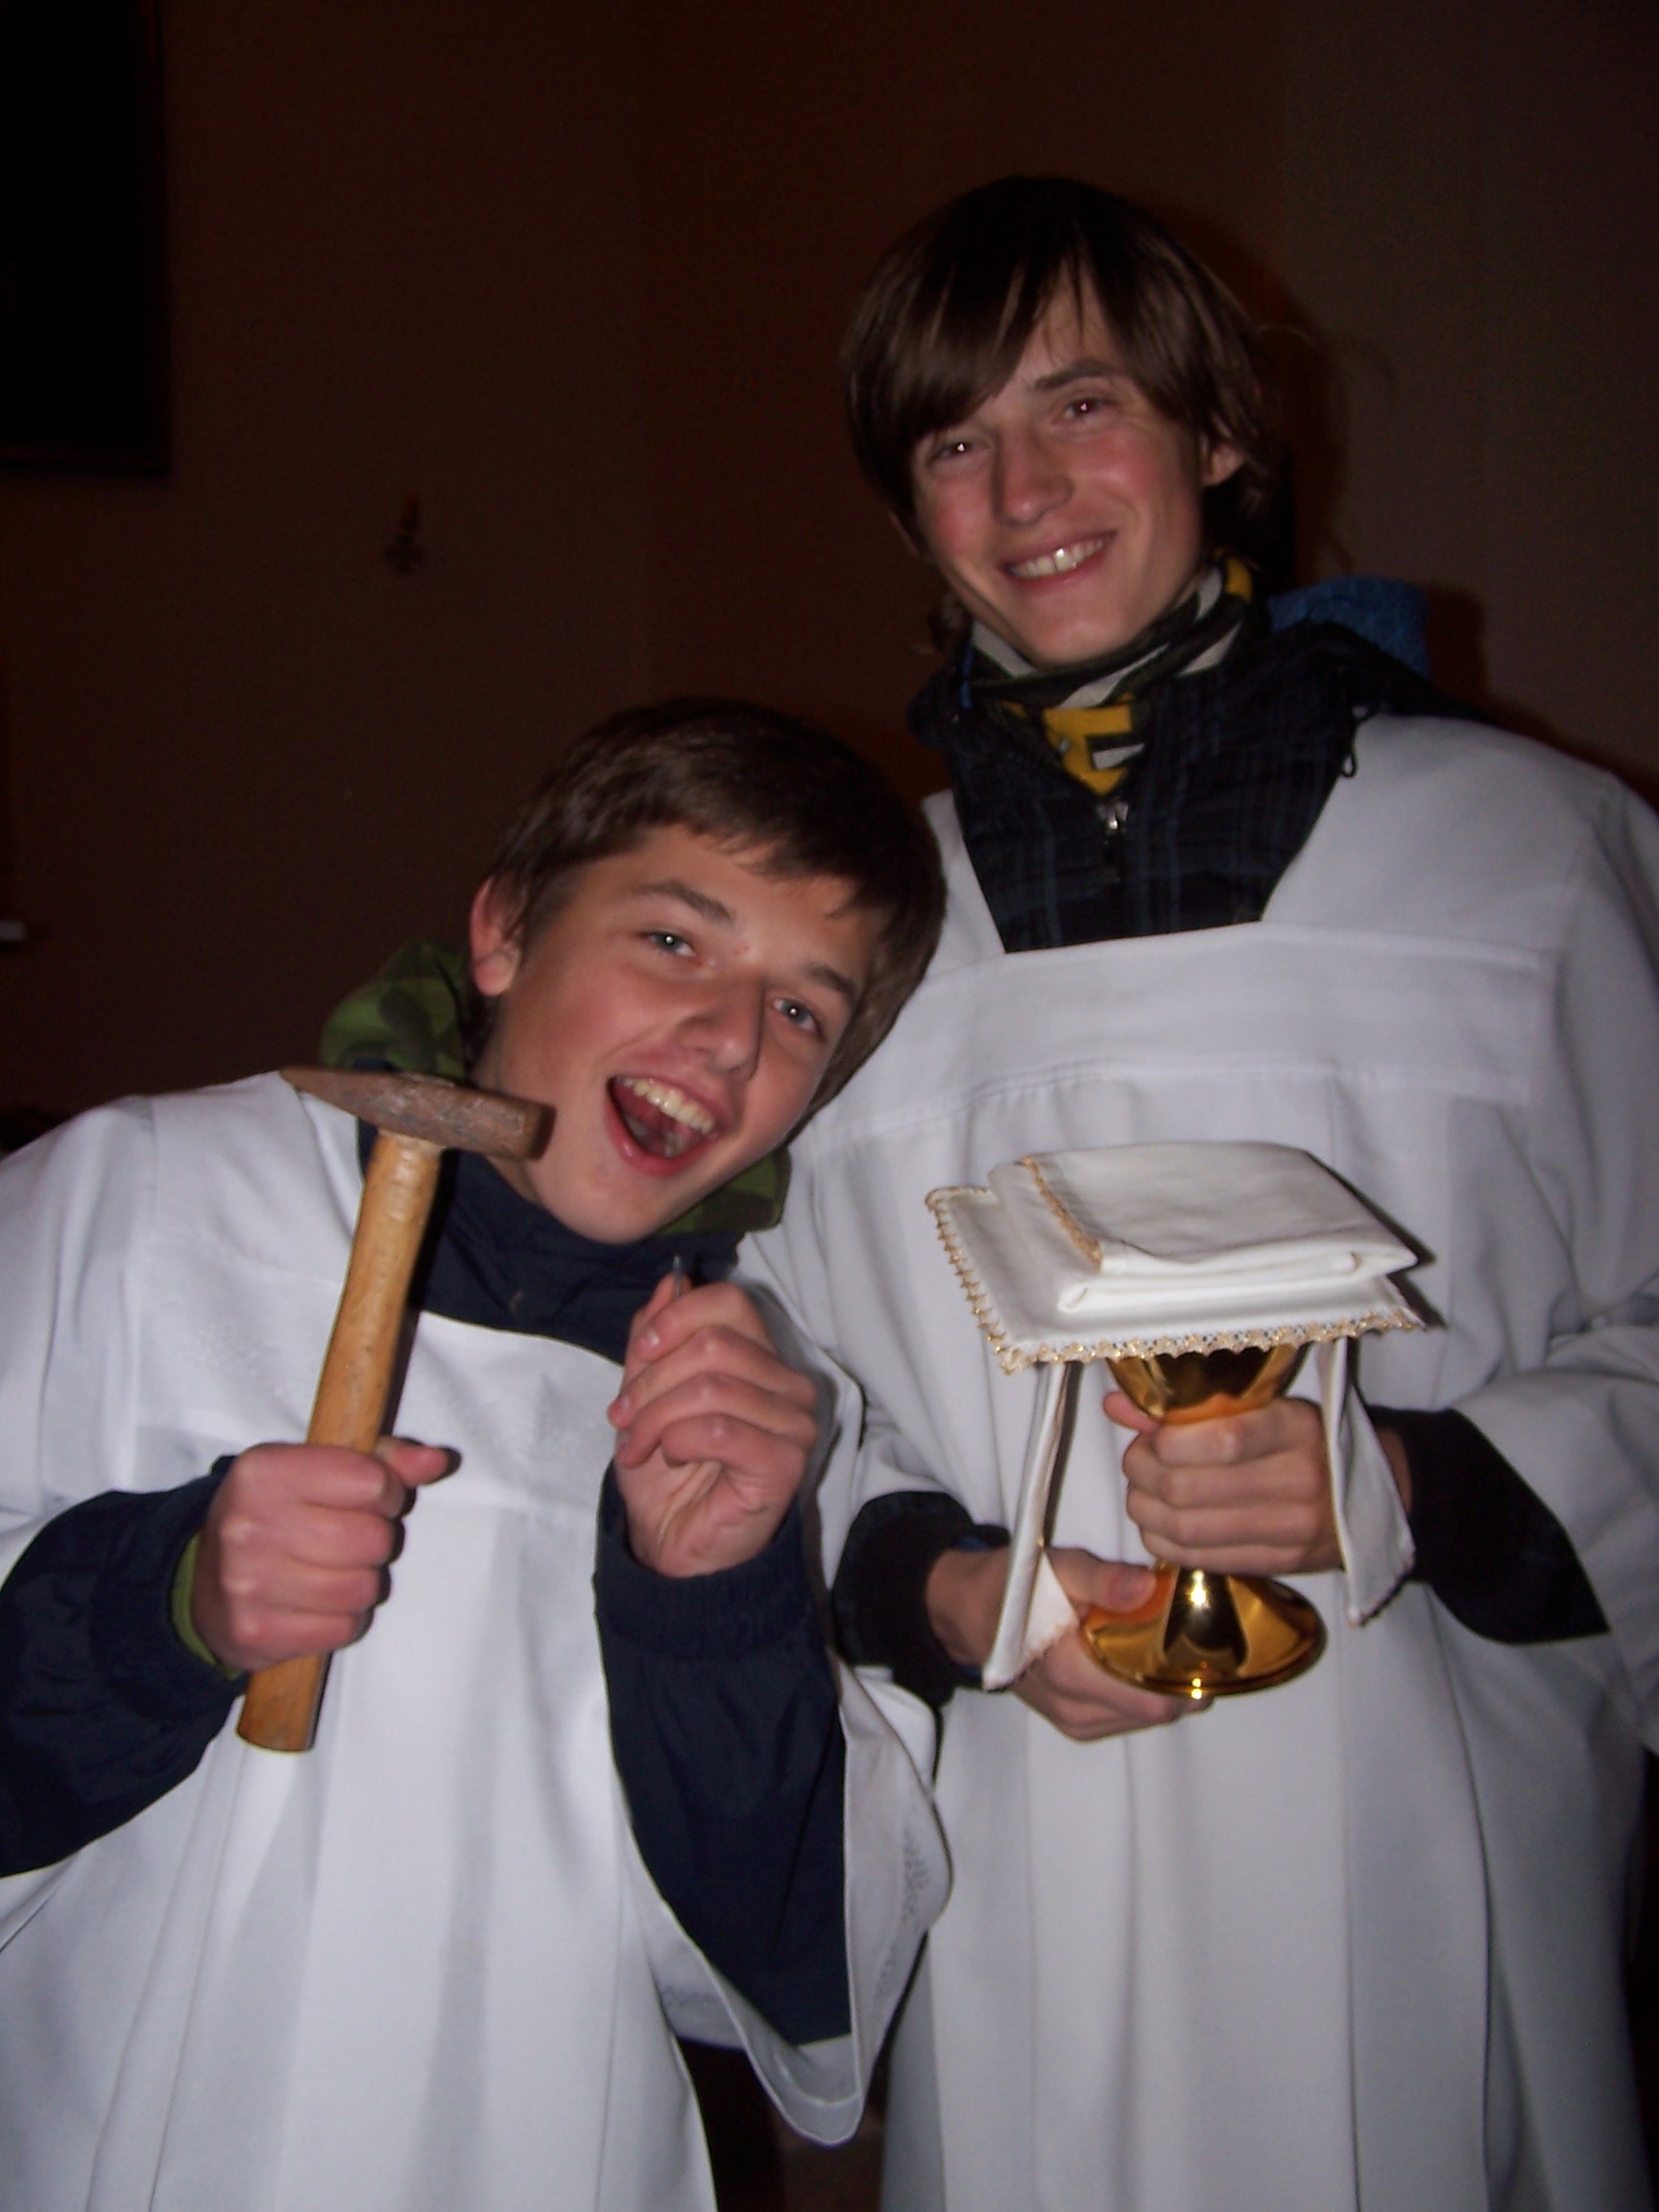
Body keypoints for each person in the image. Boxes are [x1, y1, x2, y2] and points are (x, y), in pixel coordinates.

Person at [744, 179, 1659, 2210]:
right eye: (954, 442)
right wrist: (946, 1590)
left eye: (1082, 405)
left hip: (1438, 1837)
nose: (1023, 492)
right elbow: (782, 1393)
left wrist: (1409, 1484)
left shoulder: (1533, 859)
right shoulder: (857, 941)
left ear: (1222, 430)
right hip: (1029, 1862)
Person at [0, 699, 950, 2212]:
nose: (726, 1039)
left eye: (798, 1014)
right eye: (675, 940)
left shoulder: (762, 1407)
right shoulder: (145, 1202)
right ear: (505, 930)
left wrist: (711, 1609)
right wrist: (166, 1606)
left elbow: (794, 1973)